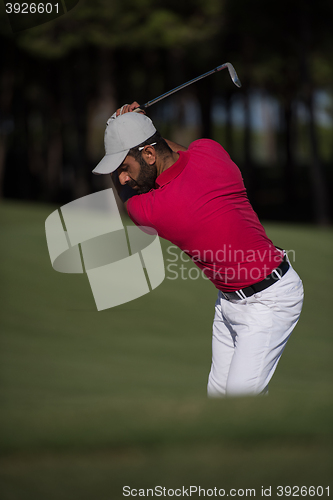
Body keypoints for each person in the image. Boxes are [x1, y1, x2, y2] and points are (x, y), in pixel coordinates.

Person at [93, 101, 304, 397]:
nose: (123, 178)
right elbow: (178, 153)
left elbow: (128, 194)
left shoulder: (154, 210)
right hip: (230, 302)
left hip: (270, 301)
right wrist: (137, 124)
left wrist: (125, 125)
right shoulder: (211, 152)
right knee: (219, 403)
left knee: (239, 403)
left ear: (150, 154)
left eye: (123, 168)